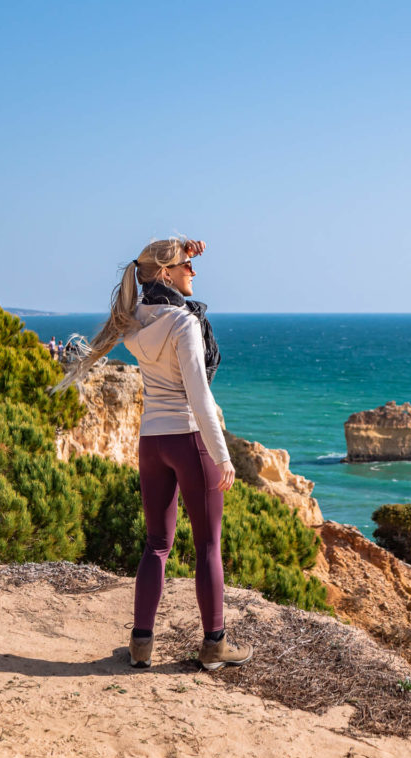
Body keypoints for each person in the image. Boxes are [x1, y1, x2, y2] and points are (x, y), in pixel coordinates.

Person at [53, 237, 252, 671]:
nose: (193, 272)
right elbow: (199, 397)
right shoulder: (184, 324)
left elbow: (157, 279)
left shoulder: (132, 322)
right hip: (189, 439)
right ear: (165, 273)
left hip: (152, 442)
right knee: (208, 546)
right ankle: (215, 644)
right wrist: (223, 456)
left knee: (156, 545)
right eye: (186, 266)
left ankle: (141, 646)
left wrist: (180, 246)